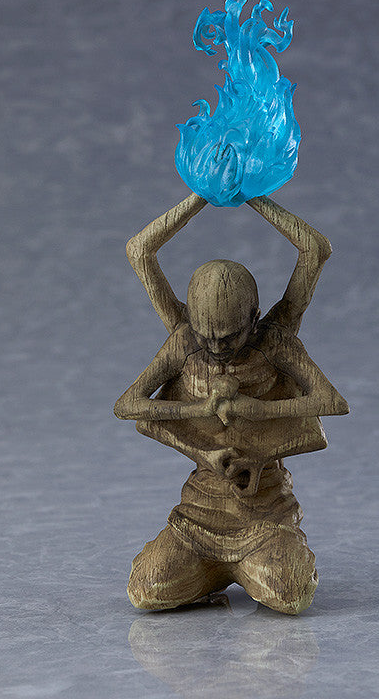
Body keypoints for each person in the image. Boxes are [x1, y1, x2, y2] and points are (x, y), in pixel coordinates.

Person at [114, 193, 348, 614]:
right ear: (192, 321)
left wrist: (252, 193)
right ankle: (210, 572)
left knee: (292, 594)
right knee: (146, 591)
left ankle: (260, 562)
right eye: (206, 336)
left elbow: (314, 250)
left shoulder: (275, 339)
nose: (216, 348)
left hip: (265, 515)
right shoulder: (184, 340)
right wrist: (201, 193)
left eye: (229, 337)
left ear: (254, 318)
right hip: (199, 514)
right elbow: (139, 251)